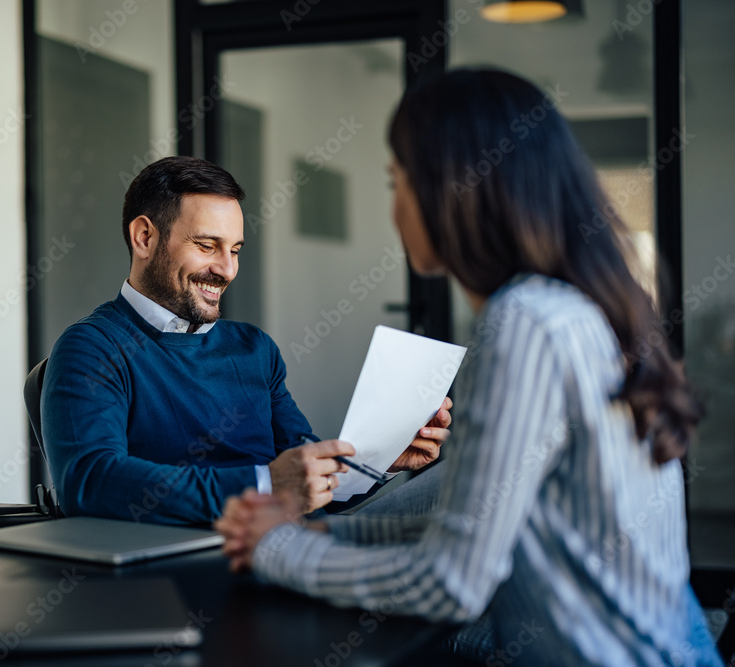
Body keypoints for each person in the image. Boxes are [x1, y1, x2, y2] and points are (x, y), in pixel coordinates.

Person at [216, 69, 722, 666]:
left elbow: (452, 580)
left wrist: (276, 549)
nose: (394, 207)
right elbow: (469, 519)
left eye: (395, 181)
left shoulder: (524, 322)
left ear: (449, 190)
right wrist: (318, 533)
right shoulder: (579, 310)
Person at [40, 156, 451, 525]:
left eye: (235, 250)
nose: (226, 269)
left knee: (465, 481)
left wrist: (382, 462)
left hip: (297, 549)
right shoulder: (92, 348)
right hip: (197, 570)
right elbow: (89, 482)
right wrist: (266, 486)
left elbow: (310, 487)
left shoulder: (255, 350)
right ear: (144, 238)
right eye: (207, 246)